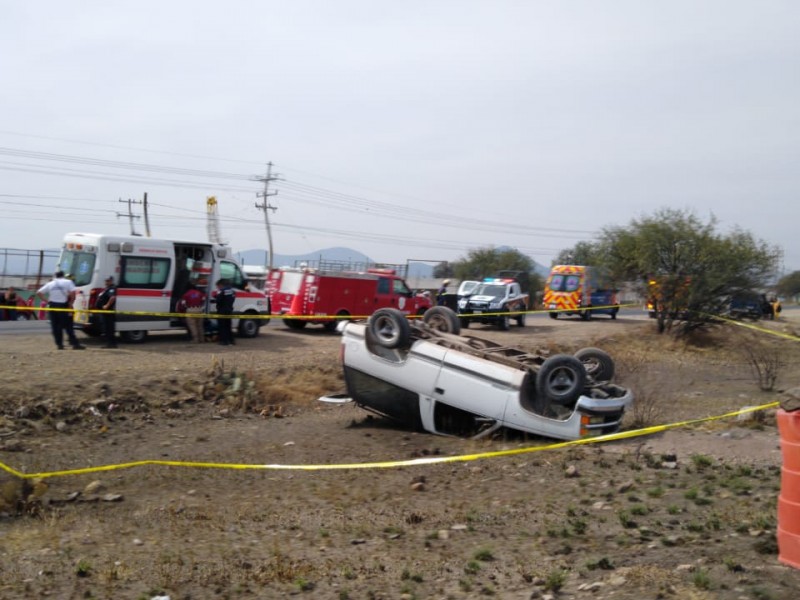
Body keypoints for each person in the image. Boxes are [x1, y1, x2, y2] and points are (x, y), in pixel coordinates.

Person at [36, 270, 85, 350]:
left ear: (55, 276)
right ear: (63, 275)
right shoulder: (68, 282)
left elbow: (39, 292)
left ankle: (59, 344)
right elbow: (73, 293)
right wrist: (71, 303)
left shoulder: (50, 283)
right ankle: (75, 344)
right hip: (63, 305)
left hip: (52, 306)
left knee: (55, 326)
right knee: (68, 325)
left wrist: (47, 301)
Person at [212, 278, 236, 346]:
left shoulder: (222, 291)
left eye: (218, 286)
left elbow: (218, 300)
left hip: (222, 311)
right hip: (229, 310)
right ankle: (231, 340)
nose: (217, 287)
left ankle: (224, 341)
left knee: (222, 327)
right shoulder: (232, 291)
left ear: (221, 285)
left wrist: (215, 298)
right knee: (228, 326)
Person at [96, 276, 118, 348]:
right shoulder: (106, 289)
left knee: (109, 328)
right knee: (107, 328)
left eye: (108, 281)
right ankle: (111, 343)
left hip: (108, 312)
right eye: (106, 281)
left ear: (111, 281)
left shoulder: (112, 289)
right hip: (104, 312)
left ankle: (111, 344)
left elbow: (112, 297)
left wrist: (107, 305)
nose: (106, 282)